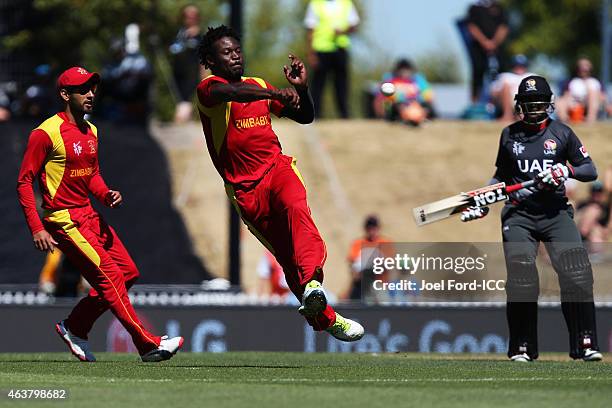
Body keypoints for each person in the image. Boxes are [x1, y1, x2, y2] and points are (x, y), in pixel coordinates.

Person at [194, 25, 364, 341]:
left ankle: (314, 283)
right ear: (210, 61)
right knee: (287, 258)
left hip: (276, 169)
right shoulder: (209, 91)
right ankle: (327, 319)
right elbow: (232, 93)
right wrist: (274, 92)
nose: (235, 56)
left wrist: (302, 90)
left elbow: (305, 116)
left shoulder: (258, 84)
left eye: (237, 50)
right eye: (226, 52)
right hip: (245, 192)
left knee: (296, 206)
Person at [16, 66, 183, 362]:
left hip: (89, 214)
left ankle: (75, 326)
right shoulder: (45, 133)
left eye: (92, 88)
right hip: (64, 219)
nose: (91, 94)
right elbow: (24, 181)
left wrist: (105, 193)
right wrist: (36, 227)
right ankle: (147, 344)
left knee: (128, 273)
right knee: (111, 279)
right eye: (82, 89)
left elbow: (91, 173)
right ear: (65, 95)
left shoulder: (91, 130)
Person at [461, 75, 602, 362]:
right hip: (519, 214)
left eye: (538, 104)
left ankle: (584, 344)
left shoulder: (562, 134)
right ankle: (522, 347)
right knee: (522, 278)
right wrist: (484, 202)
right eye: (528, 104)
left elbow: (589, 169)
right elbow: (501, 177)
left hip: (555, 212)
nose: (533, 110)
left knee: (577, 274)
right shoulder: (509, 135)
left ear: (549, 104)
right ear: (519, 106)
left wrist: (567, 171)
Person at [304, 0, 360, 118]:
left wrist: (343, 31)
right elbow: (310, 30)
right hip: (321, 49)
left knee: (342, 84)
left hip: (341, 48)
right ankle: (315, 114)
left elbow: (354, 25)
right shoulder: (315, 4)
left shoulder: (346, 3)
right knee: (318, 84)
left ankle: (344, 115)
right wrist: (311, 54)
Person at [466, 0, 509, 102]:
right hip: (478, 47)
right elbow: (472, 27)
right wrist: (484, 42)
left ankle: (501, 103)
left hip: (497, 46)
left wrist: (494, 42)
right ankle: (475, 103)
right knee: (478, 71)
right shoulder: (474, 8)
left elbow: (504, 27)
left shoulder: (499, 7)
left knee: (502, 73)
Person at [373, 59, 434, 126]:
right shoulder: (390, 80)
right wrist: (381, 114)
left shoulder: (418, 80)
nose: (404, 72)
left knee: (426, 106)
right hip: (397, 106)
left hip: (415, 104)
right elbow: (380, 98)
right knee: (393, 104)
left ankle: (419, 118)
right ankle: (404, 118)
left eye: (406, 70)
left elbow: (428, 96)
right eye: (402, 70)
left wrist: (421, 107)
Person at [170, 4, 204, 123]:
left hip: (192, 73)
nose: (189, 19)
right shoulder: (180, 33)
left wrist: (203, 74)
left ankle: (181, 119)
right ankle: (184, 119)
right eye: (186, 16)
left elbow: (203, 58)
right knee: (180, 99)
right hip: (177, 71)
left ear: (197, 18)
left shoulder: (201, 36)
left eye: (192, 16)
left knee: (185, 100)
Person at [345, 215, 391, 300]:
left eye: (374, 228)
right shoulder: (358, 243)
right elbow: (353, 265)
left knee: (384, 305)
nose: (372, 231)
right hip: (362, 284)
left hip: (379, 283)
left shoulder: (385, 242)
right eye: (369, 229)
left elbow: (390, 264)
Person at [556, 57, 609, 124]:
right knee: (559, 101)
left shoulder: (595, 82)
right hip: (575, 103)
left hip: (592, 103)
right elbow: (566, 96)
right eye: (581, 66)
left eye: (586, 65)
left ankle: (590, 120)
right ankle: (565, 121)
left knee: (592, 94)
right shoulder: (572, 82)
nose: (583, 68)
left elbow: (603, 96)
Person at [490, 54, 535, 122]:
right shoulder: (505, 76)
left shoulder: (532, 76)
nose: (519, 67)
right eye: (517, 65)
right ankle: (507, 116)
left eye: (522, 65)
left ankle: (522, 117)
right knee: (506, 86)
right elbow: (494, 93)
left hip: (525, 100)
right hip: (508, 101)